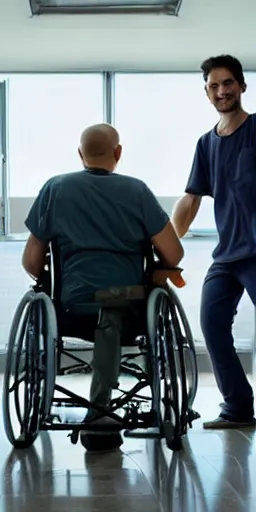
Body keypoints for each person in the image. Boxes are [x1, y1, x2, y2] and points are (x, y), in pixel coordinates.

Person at [22, 123, 184, 450]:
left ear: (80, 155)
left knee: (101, 307)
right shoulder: (137, 191)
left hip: (69, 307)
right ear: (118, 153)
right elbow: (174, 253)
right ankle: (107, 404)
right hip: (129, 304)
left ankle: (98, 407)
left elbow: (32, 264)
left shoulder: (55, 188)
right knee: (119, 305)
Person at [172, 55, 256, 429]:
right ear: (207, 93)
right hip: (228, 256)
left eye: (228, 83)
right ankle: (238, 408)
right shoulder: (206, 144)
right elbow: (191, 199)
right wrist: (167, 247)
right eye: (214, 86)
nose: (222, 91)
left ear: (242, 86)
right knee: (212, 324)